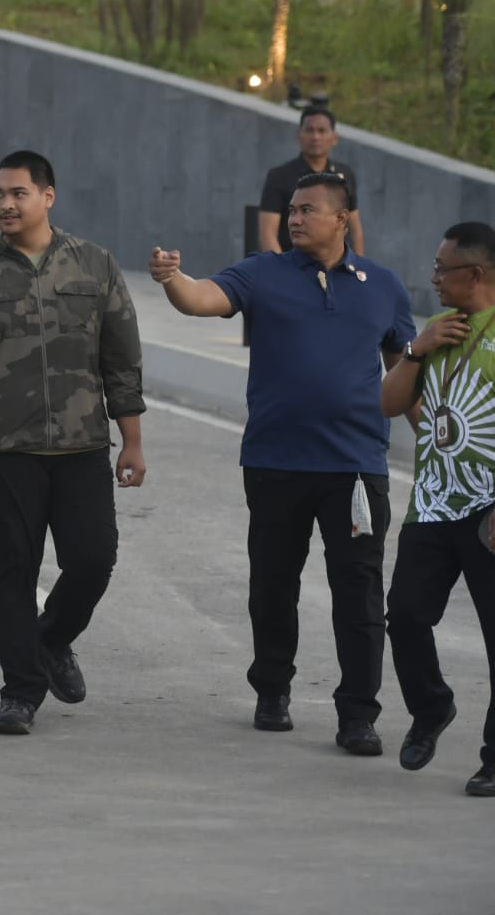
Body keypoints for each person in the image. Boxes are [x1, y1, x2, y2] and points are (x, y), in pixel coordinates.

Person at [149, 168, 410, 753]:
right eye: (291, 209)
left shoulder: (383, 286)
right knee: (272, 586)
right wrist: (172, 278)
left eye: (307, 210)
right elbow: (201, 298)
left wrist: (439, 442)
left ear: (341, 218)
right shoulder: (262, 272)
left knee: (360, 595)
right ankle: (272, 691)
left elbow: (403, 375)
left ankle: (358, 715)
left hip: (356, 469)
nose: (294, 218)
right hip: (276, 463)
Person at [0, 151, 146, 736]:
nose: (5, 204)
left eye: (18, 193)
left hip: (82, 445)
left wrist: (132, 441)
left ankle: (51, 639)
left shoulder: (94, 265)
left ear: (48, 197)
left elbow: (122, 360)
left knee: (93, 560)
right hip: (2, 448)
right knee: (13, 572)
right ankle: (19, 692)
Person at [379, 222, 495, 796]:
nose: (433, 279)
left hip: (488, 507)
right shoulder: (437, 329)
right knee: (404, 616)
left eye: (442, 269)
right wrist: (415, 350)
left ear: (475, 274)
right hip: (431, 503)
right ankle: (431, 708)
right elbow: (389, 403)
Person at [259, 108, 361, 254]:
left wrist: (358, 265)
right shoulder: (279, 176)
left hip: (338, 263)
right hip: (293, 261)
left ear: (334, 138)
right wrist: (281, 267)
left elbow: (354, 229)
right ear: (299, 136)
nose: (315, 137)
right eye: (309, 130)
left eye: (322, 131)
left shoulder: (345, 174)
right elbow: (268, 233)